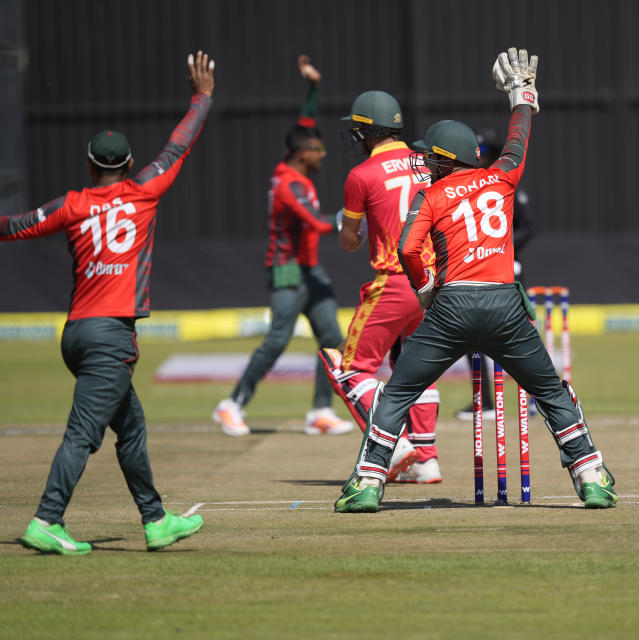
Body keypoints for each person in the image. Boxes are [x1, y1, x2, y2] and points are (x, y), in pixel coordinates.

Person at [334, 47, 617, 512]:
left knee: (397, 392)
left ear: (445, 161)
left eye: (430, 158)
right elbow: (517, 141)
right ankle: (590, 477)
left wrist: (426, 290)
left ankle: (367, 483)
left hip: (451, 309)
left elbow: (407, 249)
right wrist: (522, 97)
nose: (424, 163)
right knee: (549, 391)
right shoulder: (501, 178)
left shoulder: (430, 195)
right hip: (505, 307)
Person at [2, 51, 216, 554]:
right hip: (110, 338)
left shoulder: (72, 204)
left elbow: (15, 226)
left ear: (90, 165)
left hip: (77, 334)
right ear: (126, 164)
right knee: (83, 434)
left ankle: (155, 519)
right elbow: (178, 146)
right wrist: (202, 97)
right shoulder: (144, 190)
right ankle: (46, 519)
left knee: (132, 430)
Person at [213, 55, 352, 438]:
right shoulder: (287, 185)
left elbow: (305, 121)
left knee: (332, 340)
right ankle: (231, 405)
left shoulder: (297, 161)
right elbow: (320, 223)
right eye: (318, 150)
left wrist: (313, 86)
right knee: (277, 339)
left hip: (310, 269)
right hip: (287, 269)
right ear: (303, 153)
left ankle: (320, 411)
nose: (323, 154)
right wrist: (359, 213)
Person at [321, 87, 442, 485]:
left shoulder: (361, 175)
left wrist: (348, 225)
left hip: (394, 282)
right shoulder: (427, 163)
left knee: (348, 369)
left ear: (367, 131)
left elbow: (349, 240)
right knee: (415, 372)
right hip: (435, 283)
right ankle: (426, 462)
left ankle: (396, 445)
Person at [454, 129, 536, 422]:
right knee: (472, 338)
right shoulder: (468, 185)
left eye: (486, 152)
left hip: (508, 268)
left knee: (519, 334)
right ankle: (485, 401)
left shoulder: (505, 182)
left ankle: (536, 398)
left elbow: (527, 227)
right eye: (479, 153)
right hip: (476, 269)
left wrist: (502, 247)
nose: (482, 158)